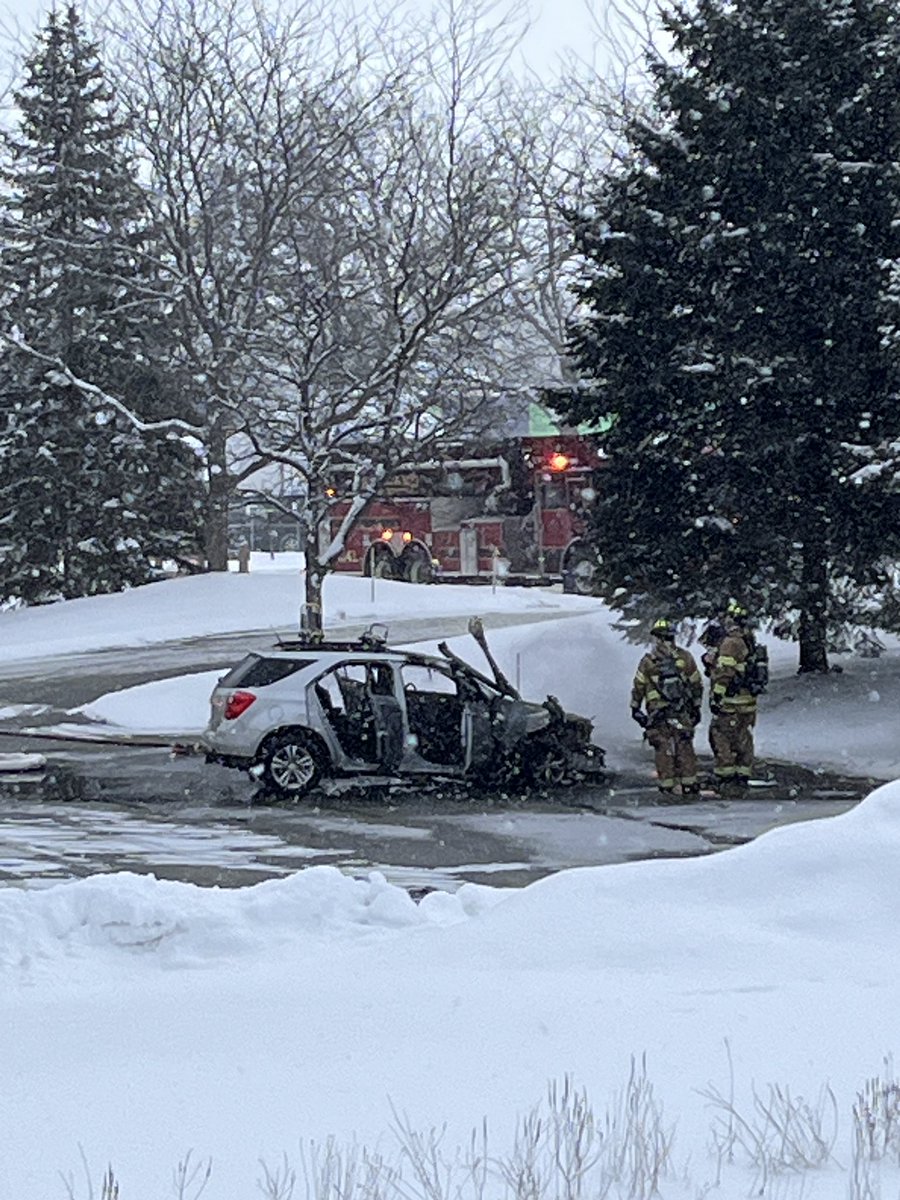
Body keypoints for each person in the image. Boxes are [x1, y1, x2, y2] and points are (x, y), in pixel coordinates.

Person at [630, 618, 704, 798]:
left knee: (663, 748)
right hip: (681, 712)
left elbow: (639, 686)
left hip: (657, 714)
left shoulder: (648, 661)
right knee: (684, 746)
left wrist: (635, 708)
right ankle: (689, 784)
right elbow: (696, 684)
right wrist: (696, 707)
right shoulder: (685, 657)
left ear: (656, 638)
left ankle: (667, 786)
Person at [706, 600, 761, 797]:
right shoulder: (749, 640)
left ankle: (725, 778)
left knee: (721, 737)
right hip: (748, 704)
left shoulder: (731, 643)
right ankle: (741, 776)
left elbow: (725, 672)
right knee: (743, 739)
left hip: (731, 703)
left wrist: (717, 695)